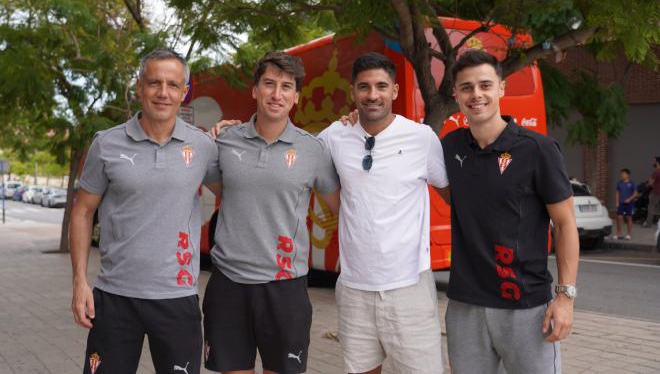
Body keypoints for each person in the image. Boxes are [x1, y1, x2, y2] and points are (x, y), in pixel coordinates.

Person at [70, 48, 222, 374]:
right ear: (140, 87)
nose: (163, 93)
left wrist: (243, 135)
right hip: (113, 297)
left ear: (185, 92)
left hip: (177, 297)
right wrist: (80, 283)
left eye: (172, 84)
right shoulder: (106, 144)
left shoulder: (203, 147)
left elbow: (238, 194)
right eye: (154, 83)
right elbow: (82, 212)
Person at [441, 49, 579, 374]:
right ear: (455, 94)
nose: (477, 95)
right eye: (467, 87)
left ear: (501, 88)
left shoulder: (538, 150)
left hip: (526, 306)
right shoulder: (449, 147)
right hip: (466, 306)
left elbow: (564, 224)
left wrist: (565, 298)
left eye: (485, 85)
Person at [203, 51, 340, 374]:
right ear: (254, 90)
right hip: (229, 283)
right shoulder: (224, 141)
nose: (277, 94)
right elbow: (225, 193)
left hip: (285, 286)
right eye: (269, 84)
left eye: (286, 86)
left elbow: (342, 208)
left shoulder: (313, 149)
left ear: (296, 96)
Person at [318, 52, 449, 374]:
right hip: (354, 288)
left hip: (409, 288)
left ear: (395, 90)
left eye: (380, 86)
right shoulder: (334, 137)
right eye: (364, 87)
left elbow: (453, 196)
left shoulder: (421, 139)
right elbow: (295, 158)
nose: (372, 95)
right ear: (353, 92)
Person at [614, 168, 637, 240]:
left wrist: (629, 199)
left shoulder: (632, 183)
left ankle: (629, 234)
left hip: (629, 204)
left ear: (628, 175)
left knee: (629, 218)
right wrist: (617, 202)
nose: (622, 175)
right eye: (621, 174)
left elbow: (635, 193)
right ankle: (619, 233)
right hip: (621, 203)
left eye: (623, 174)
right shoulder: (619, 183)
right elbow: (617, 193)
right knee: (619, 218)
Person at [642, 157, 660, 227]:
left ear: (657, 162)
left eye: (654, 161)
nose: (653, 162)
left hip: (655, 193)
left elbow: (650, 183)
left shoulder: (656, 172)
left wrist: (646, 185)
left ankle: (648, 224)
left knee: (651, 208)